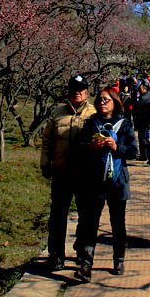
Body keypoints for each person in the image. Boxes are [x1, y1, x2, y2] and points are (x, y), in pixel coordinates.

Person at [73, 87, 138, 281]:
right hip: (94, 180)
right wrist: (91, 146)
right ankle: (86, 264)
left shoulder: (124, 124)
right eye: (100, 100)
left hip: (117, 182)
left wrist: (117, 147)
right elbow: (80, 147)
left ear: (115, 102)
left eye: (106, 100)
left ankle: (118, 259)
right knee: (89, 223)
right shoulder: (91, 123)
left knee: (118, 223)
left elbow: (133, 152)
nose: (102, 102)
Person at [39, 75, 95, 271]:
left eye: (81, 89)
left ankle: (81, 250)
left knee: (85, 215)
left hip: (84, 174)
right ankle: (55, 255)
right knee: (57, 215)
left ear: (87, 92)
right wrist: (45, 162)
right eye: (73, 89)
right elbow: (47, 140)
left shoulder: (93, 114)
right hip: (61, 172)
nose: (77, 92)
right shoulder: (57, 113)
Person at [133, 80, 150, 163]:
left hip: (143, 121)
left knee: (143, 139)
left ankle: (144, 155)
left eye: (140, 88)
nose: (139, 90)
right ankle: (146, 154)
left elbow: (137, 107)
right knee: (146, 138)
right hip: (147, 121)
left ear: (144, 89)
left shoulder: (143, 98)